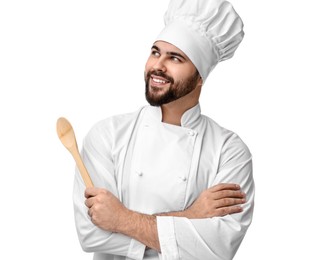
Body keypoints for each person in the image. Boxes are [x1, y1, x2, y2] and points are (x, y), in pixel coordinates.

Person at [73, 0, 255, 259]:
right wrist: (191, 217)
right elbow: (92, 234)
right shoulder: (107, 135)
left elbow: (218, 247)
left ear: (200, 75)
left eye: (175, 58)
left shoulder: (229, 150)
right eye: (156, 52)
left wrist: (121, 219)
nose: (158, 65)